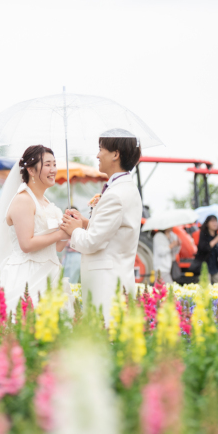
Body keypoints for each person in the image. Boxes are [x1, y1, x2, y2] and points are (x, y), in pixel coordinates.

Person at [60, 128, 143, 322]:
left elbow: (91, 243)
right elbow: (113, 230)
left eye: (100, 149)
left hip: (107, 286)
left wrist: (75, 230)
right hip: (113, 281)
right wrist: (85, 222)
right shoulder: (124, 188)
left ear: (115, 154)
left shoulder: (115, 194)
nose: (97, 155)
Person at [0, 145, 70, 312]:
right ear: (31, 170)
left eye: (54, 164)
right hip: (27, 274)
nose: (53, 169)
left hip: (50, 272)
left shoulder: (47, 202)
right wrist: (60, 233)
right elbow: (26, 244)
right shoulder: (23, 200)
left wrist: (69, 230)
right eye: (47, 165)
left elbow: (58, 247)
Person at [193, 215, 218, 284]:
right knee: (206, 286)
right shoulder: (203, 235)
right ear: (207, 223)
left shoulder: (217, 236)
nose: (215, 223)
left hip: (214, 267)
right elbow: (203, 248)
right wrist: (215, 241)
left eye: (216, 221)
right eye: (212, 221)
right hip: (205, 266)